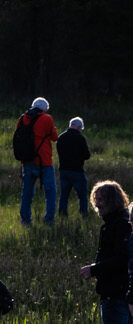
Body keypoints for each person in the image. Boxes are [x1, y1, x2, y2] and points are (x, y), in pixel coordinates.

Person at [76, 180, 133, 324]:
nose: (97, 204)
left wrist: (94, 270)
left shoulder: (119, 226)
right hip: (123, 292)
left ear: (112, 200)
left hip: (115, 293)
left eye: (101, 199)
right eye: (95, 199)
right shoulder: (119, 224)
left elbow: (120, 260)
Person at [15, 97, 56, 227]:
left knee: (27, 192)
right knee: (50, 191)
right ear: (44, 108)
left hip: (27, 160)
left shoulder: (22, 119)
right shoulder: (47, 118)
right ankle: (49, 219)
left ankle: (25, 220)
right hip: (44, 160)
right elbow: (54, 137)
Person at [55, 118, 89, 218]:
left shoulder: (61, 137)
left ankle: (62, 215)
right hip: (77, 171)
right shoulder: (80, 138)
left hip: (63, 170)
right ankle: (84, 215)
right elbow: (87, 155)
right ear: (79, 127)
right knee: (82, 196)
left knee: (64, 196)